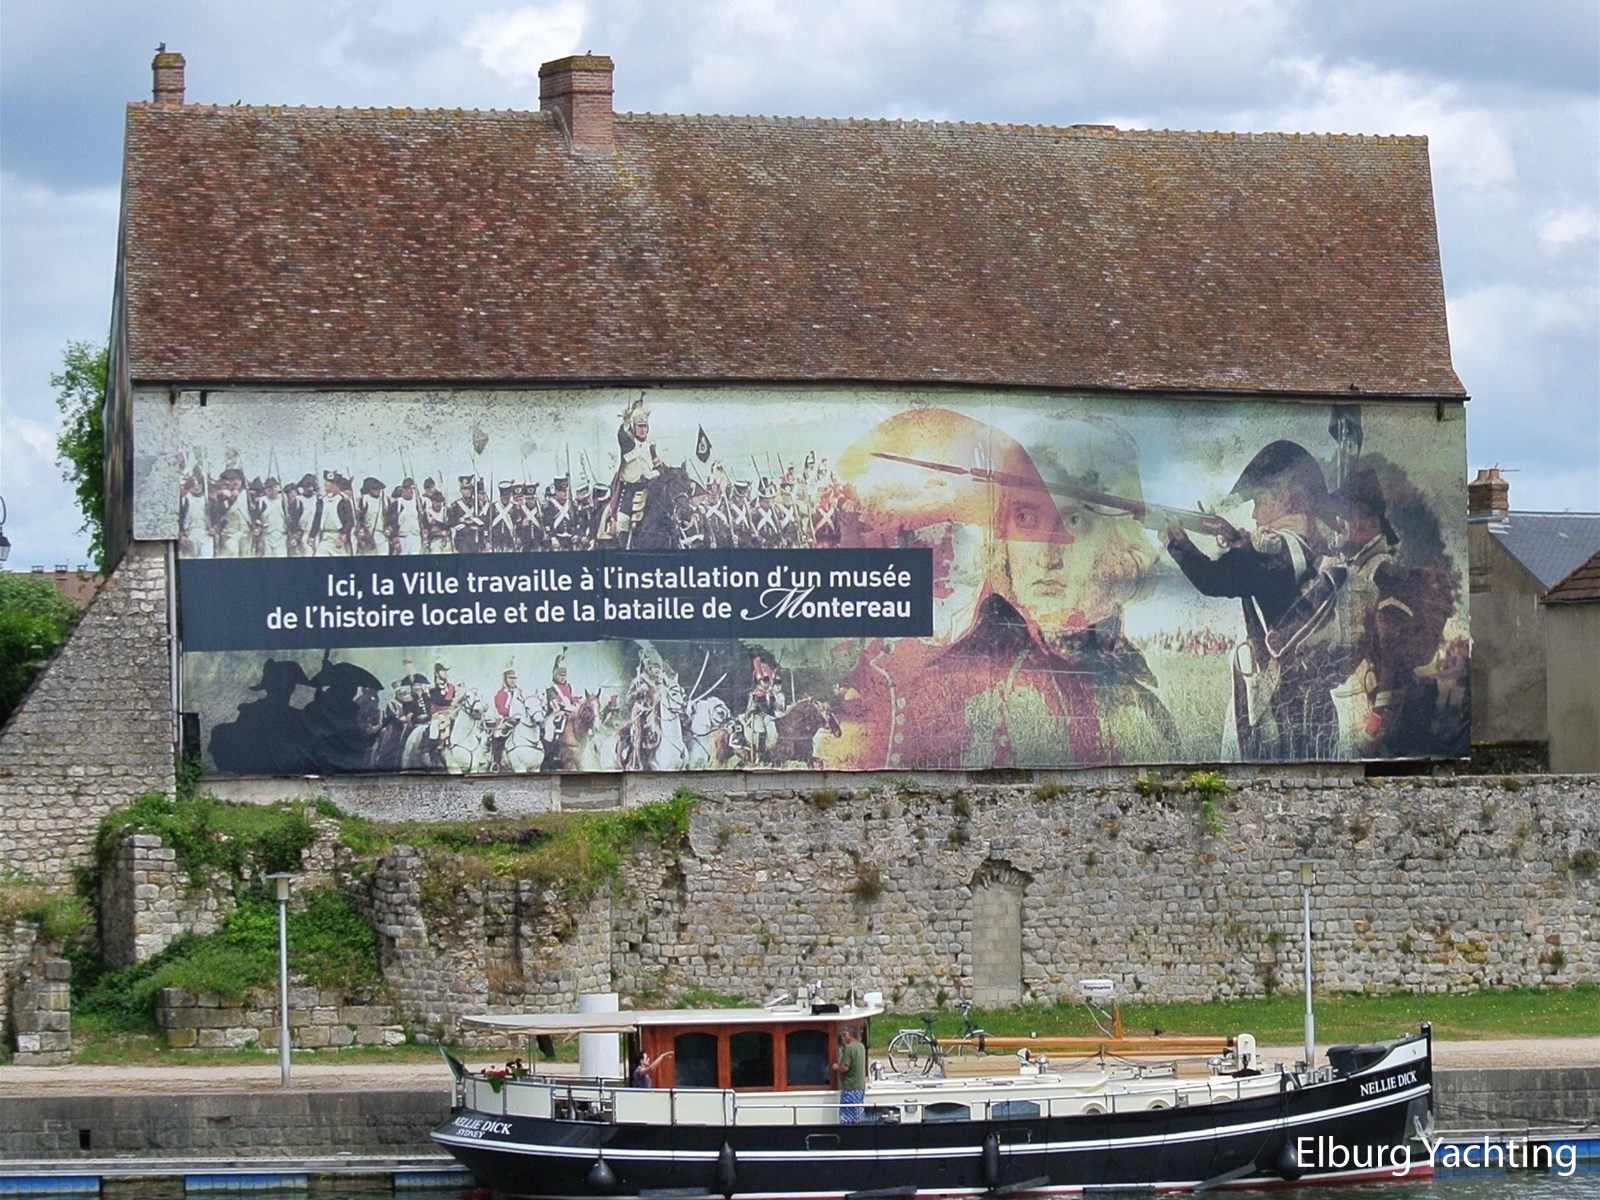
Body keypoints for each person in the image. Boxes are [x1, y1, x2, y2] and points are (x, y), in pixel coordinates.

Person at [1163, 439, 1341, 760]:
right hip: (1309, 706)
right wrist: (1238, 544)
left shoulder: (1274, 547)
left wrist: (1176, 541)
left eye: (1259, 501)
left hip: (1277, 708)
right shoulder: (1309, 546)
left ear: (1283, 497)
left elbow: (1212, 580)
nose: (1255, 514)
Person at [835, 1025, 866, 1124]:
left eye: (845, 1035)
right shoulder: (861, 1046)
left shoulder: (849, 1048)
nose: (843, 1037)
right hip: (860, 1086)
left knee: (847, 1116)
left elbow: (845, 1067)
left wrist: (836, 1067)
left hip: (850, 1087)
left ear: (851, 1035)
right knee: (858, 1113)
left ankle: (848, 1130)